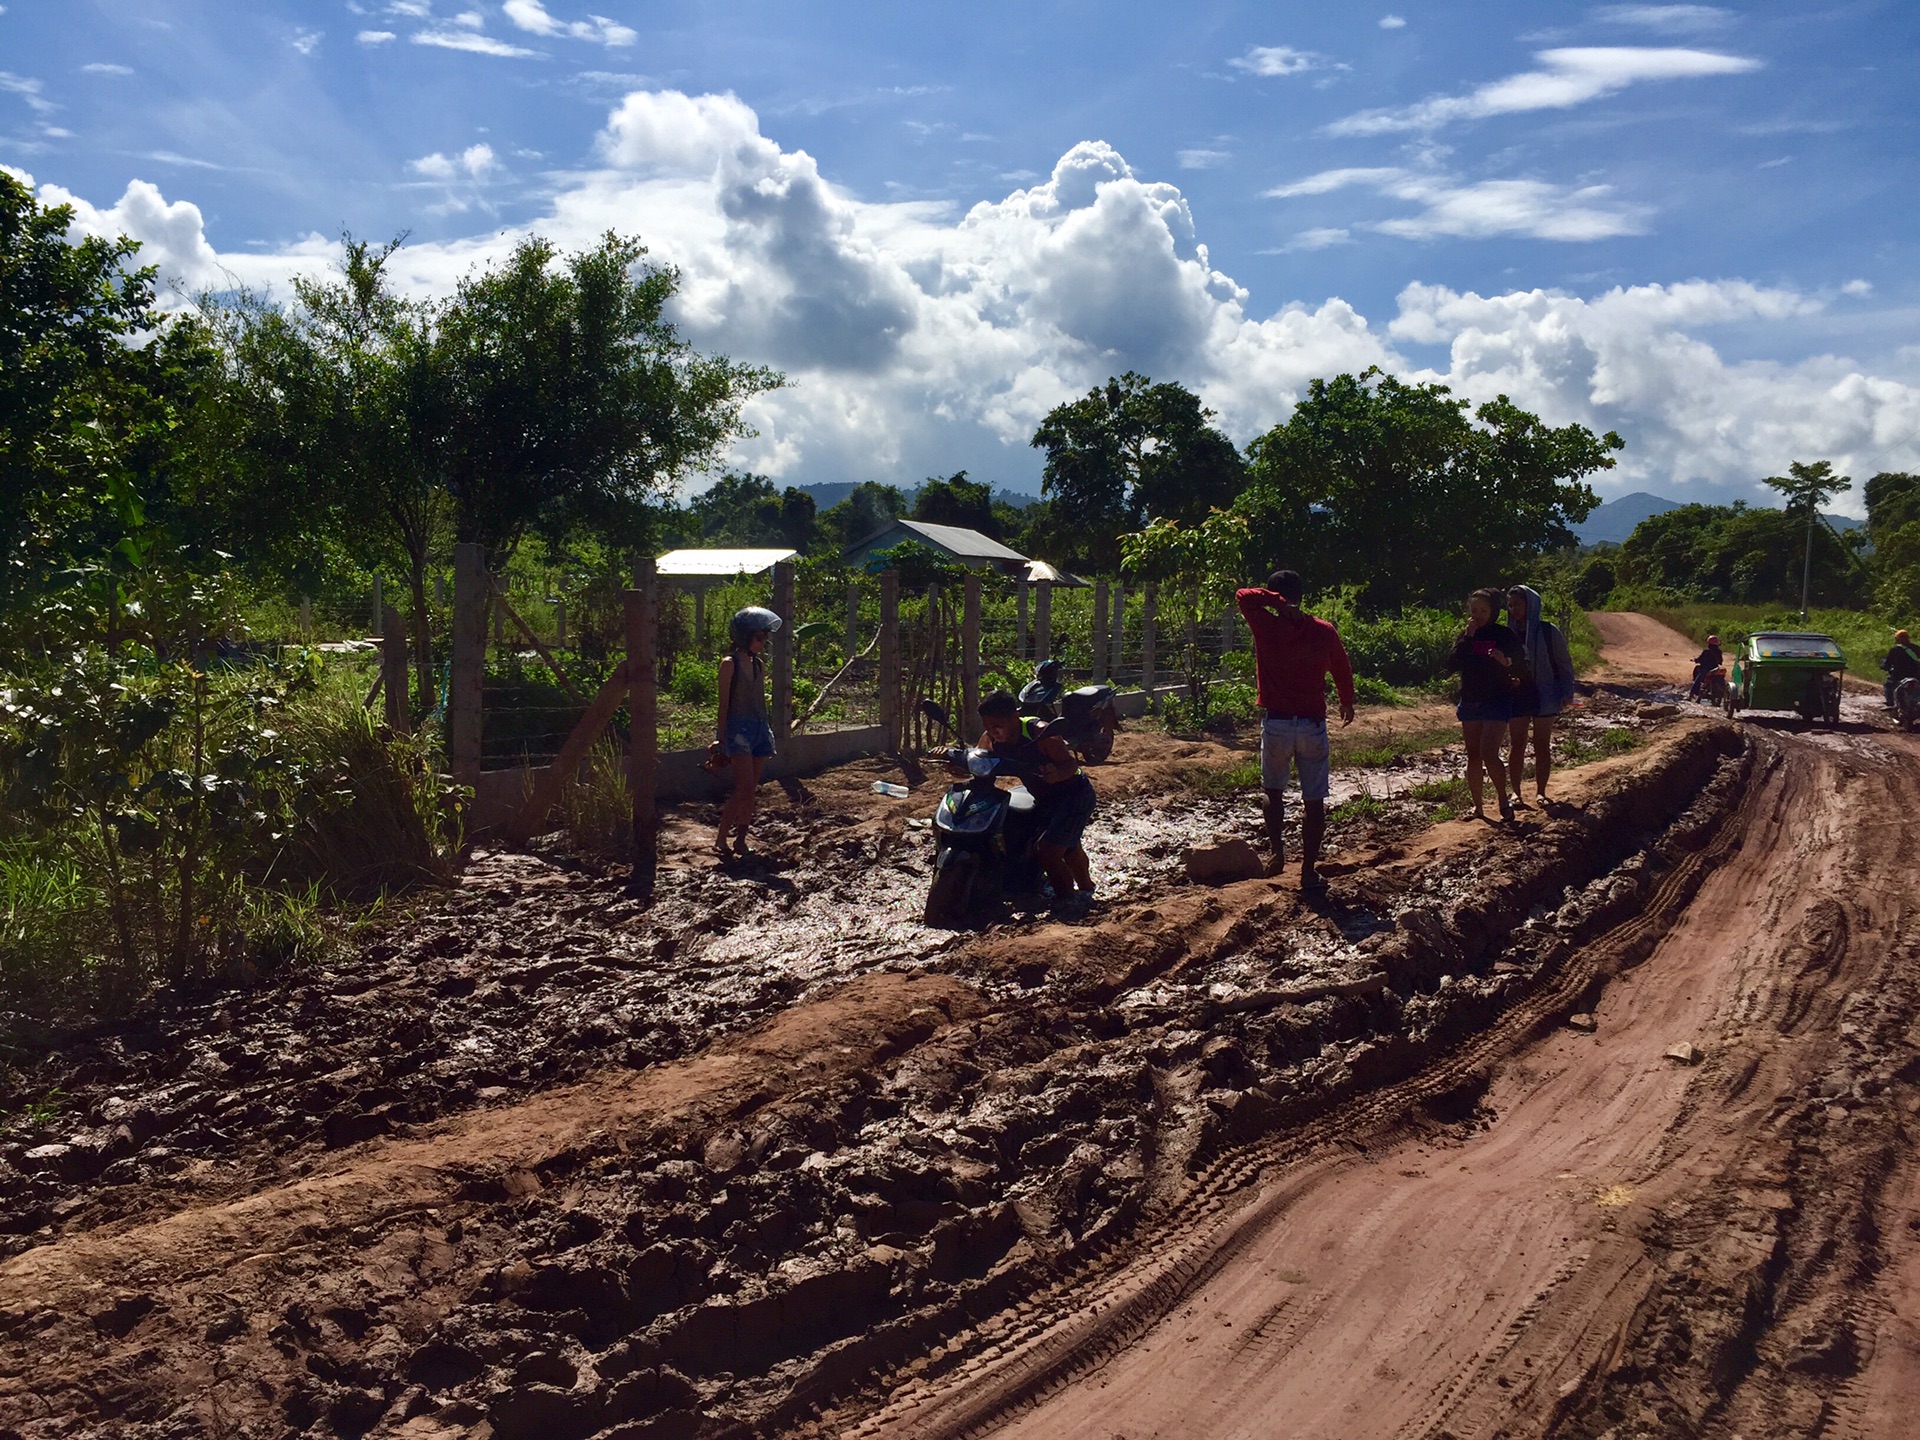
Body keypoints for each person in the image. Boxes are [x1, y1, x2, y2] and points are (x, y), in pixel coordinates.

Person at [1235, 570, 1356, 893]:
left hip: (1277, 723)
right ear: (1303, 594)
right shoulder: (1322, 630)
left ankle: (1277, 852)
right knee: (1314, 800)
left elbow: (1243, 596)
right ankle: (1307, 869)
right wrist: (1347, 701)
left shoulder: (1267, 625)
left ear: (1277, 595)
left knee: (1272, 792)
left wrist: (1276, 601)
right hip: (1312, 725)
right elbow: (1342, 668)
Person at [977, 690, 1098, 909]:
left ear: (1014, 717)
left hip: (1074, 795)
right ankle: (1087, 887)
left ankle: (1068, 902)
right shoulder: (989, 740)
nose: (992, 731)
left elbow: (1071, 765)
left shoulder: (1041, 733)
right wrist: (953, 763)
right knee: (1068, 846)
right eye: (987, 726)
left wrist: (1057, 774)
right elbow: (979, 765)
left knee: (1048, 851)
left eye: (997, 725)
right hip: (1044, 798)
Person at [1445, 588, 1521, 822]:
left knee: (1489, 752)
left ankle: (1503, 801)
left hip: (1497, 698)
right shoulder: (1466, 636)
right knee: (1474, 754)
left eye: (1483, 611)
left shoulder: (1504, 634)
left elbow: (1521, 665)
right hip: (1470, 699)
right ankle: (1478, 808)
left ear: (1493, 611)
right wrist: (1468, 637)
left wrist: (1505, 661)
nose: (1478, 615)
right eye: (1474, 610)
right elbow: (1451, 664)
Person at [714, 606, 781, 858]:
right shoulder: (728, 665)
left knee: (751, 788)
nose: (763, 642)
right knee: (743, 787)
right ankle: (722, 837)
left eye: (765, 637)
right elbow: (723, 705)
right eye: (759, 637)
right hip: (738, 730)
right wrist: (720, 739)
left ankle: (741, 839)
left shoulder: (758, 665)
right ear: (745, 637)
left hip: (759, 728)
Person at [1504, 586, 1577, 806]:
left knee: (1542, 744)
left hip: (1546, 693)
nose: (1514, 609)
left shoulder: (1548, 631)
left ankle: (1541, 792)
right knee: (1517, 744)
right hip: (1517, 694)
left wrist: (1567, 692)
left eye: (1518, 604)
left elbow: (1565, 664)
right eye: (1510, 604)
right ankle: (1516, 793)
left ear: (1531, 604)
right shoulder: (1507, 634)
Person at [1883, 629, 1920, 707]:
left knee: (1888, 685)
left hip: (1898, 675)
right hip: (1916, 675)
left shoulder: (1894, 650)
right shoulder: (1916, 648)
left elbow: (1887, 664)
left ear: (1897, 639)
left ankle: (1890, 703)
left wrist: (1885, 667)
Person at [1689, 634, 1724, 702]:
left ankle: (1691, 694)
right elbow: (1720, 661)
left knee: (1697, 680)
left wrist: (1695, 660)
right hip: (1715, 669)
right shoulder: (1719, 651)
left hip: (1706, 669)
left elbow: (1700, 659)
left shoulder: (1706, 651)